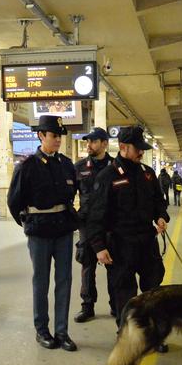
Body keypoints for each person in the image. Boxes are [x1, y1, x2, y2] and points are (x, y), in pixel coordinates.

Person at [86, 125, 170, 352]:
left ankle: (153, 336)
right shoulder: (107, 177)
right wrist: (99, 247)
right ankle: (127, 336)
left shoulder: (147, 173)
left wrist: (161, 217)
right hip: (120, 245)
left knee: (152, 289)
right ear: (123, 147)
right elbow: (96, 216)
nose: (142, 152)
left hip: (147, 243)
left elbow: (159, 202)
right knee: (125, 294)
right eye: (137, 148)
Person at [8, 115, 79, 352]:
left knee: (64, 281)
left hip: (63, 230)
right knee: (41, 281)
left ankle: (62, 331)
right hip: (39, 231)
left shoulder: (67, 165)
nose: (58, 140)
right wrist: (29, 224)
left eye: (59, 136)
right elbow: (13, 202)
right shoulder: (26, 167)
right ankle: (42, 330)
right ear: (41, 136)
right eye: (53, 135)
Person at [72, 127, 114, 323]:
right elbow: (68, 194)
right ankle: (87, 306)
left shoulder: (115, 166)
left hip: (110, 224)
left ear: (104, 143)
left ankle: (116, 305)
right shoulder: (79, 167)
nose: (88, 145)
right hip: (87, 225)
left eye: (93, 141)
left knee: (115, 266)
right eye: (87, 141)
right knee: (87, 265)